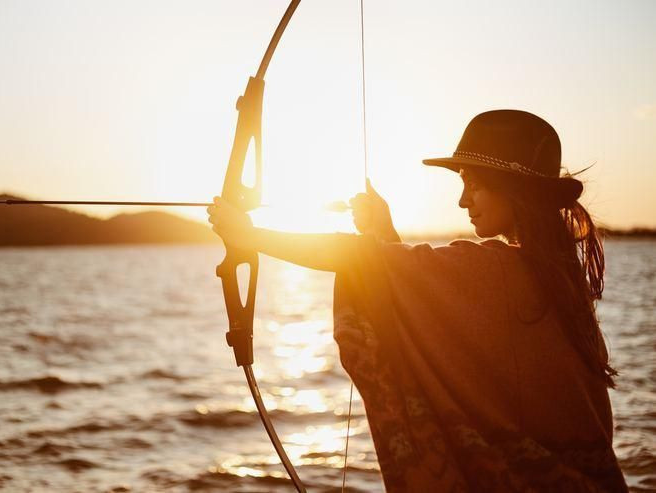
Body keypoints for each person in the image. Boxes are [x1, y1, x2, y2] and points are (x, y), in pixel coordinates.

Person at [207, 110, 628, 492]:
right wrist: (386, 235)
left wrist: (250, 236)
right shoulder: (557, 277)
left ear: (513, 190)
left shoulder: (498, 270)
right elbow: (426, 301)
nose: (463, 200)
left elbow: (361, 261)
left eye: (474, 184)